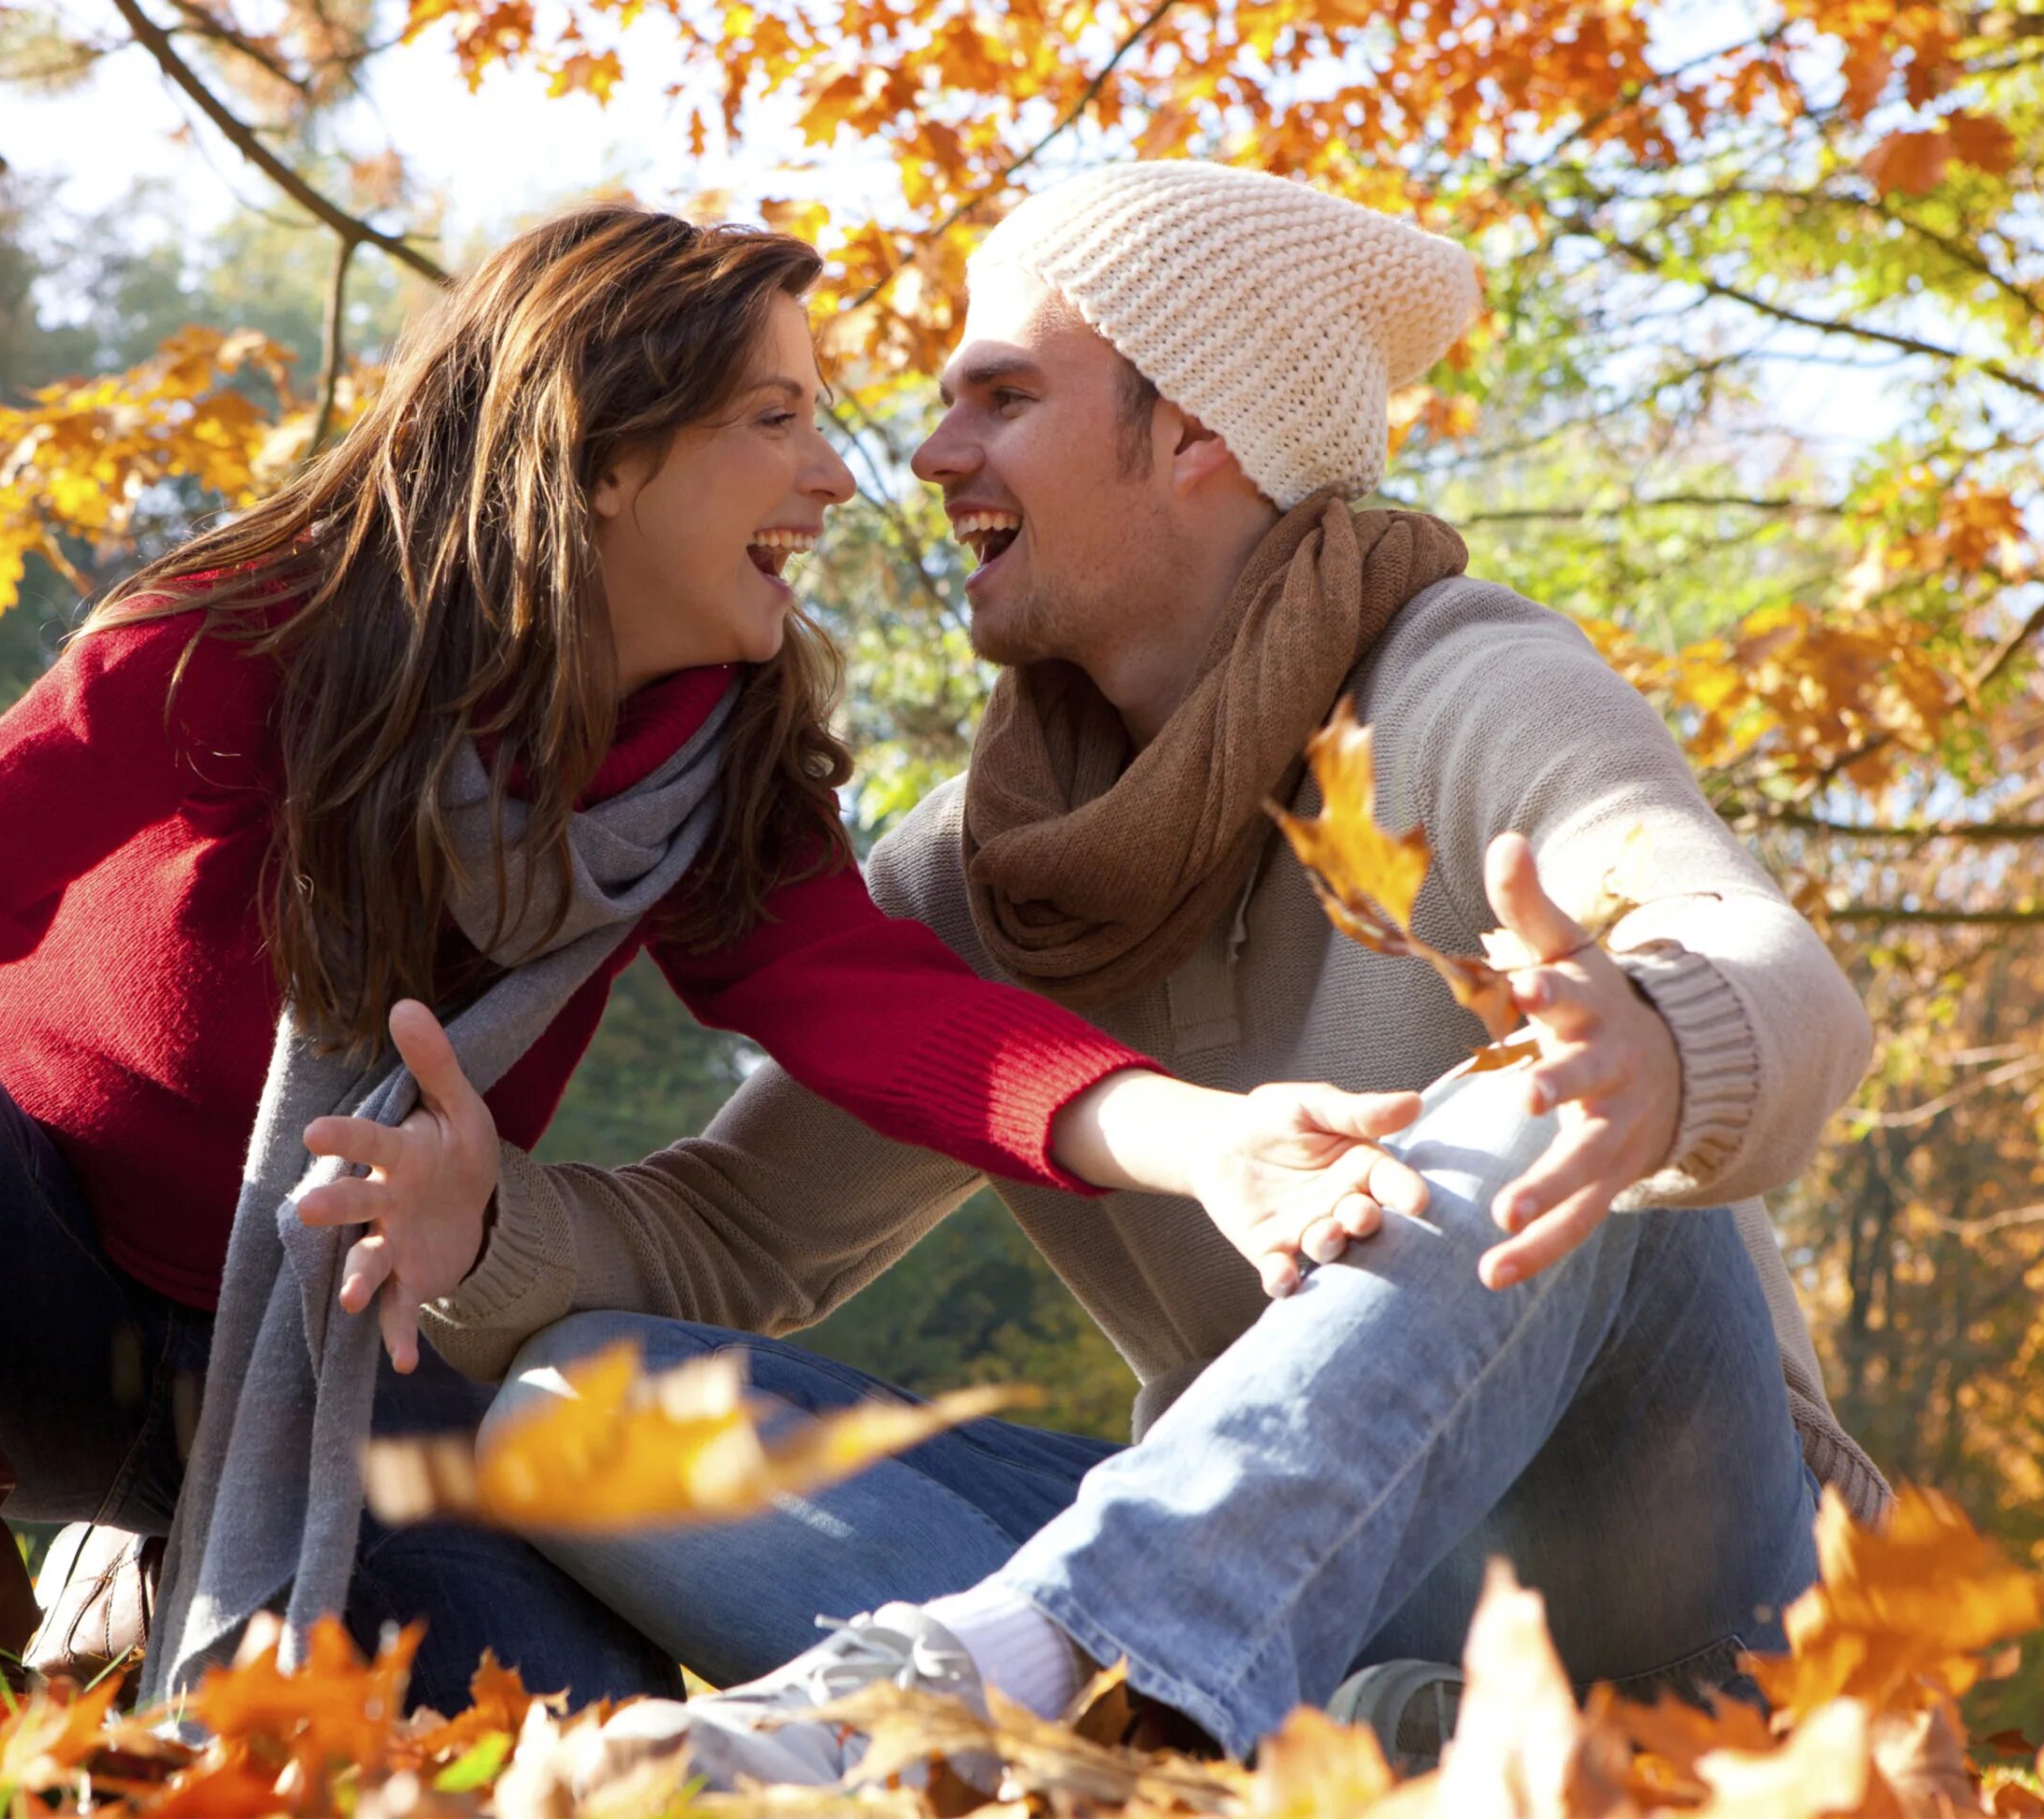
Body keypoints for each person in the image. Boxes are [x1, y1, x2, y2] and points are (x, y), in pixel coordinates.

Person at [0, 205, 1425, 1699]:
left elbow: (891, 1014)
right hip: (23, 1282)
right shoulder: (257, 645)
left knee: (540, 1720)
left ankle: (163, 1599)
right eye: (776, 423)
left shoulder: (719, 775)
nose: (841, 479)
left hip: (324, 1349)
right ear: (600, 452)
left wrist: (1209, 1142)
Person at [338, 164, 1892, 1772]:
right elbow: (738, 1235)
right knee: (587, 1409)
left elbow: (1767, 965)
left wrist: (1649, 1044)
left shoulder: (1462, 685)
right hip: (1282, 1601)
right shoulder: (986, 866)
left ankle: (1040, 1684)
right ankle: (1283, 1752)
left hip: (1673, 1604)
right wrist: (487, 1230)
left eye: (1003, 398)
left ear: (1202, 433)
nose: (930, 459)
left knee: (1540, 1104)